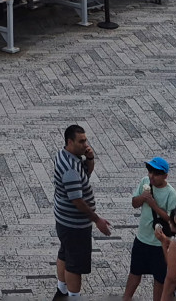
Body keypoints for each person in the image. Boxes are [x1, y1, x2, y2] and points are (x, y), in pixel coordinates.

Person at [51, 124, 112, 297]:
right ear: (70, 142)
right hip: (74, 224)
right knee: (74, 265)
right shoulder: (70, 168)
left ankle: (61, 291)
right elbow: (77, 200)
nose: (86, 144)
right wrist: (97, 219)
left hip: (63, 220)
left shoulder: (64, 154)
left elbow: (85, 175)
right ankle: (73, 296)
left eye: (86, 140)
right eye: (81, 141)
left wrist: (90, 159)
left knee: (65, 253)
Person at [121, 157, 176, 301]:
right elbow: (134, 203)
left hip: (160, 244)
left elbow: (173, 221)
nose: (151, 176)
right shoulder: (144, 182)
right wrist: (143, 197)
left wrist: (154, 206)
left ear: (165, 176)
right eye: (150, 171)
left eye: (156, 173)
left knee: (159, 280)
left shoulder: (171, 193)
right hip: (142, 239)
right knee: (134, 273)